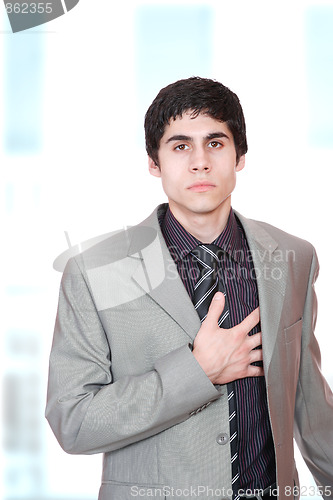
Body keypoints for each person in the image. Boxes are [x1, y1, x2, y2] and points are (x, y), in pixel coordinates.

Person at [46, 77, 333, 500]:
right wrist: (196, 371)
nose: (200, 162)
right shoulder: (93, 272)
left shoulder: (293, 257)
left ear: (240, 155)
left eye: (215, 143)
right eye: (180, 146)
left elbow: (310, 406)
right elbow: (73, 420)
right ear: (154, 162)